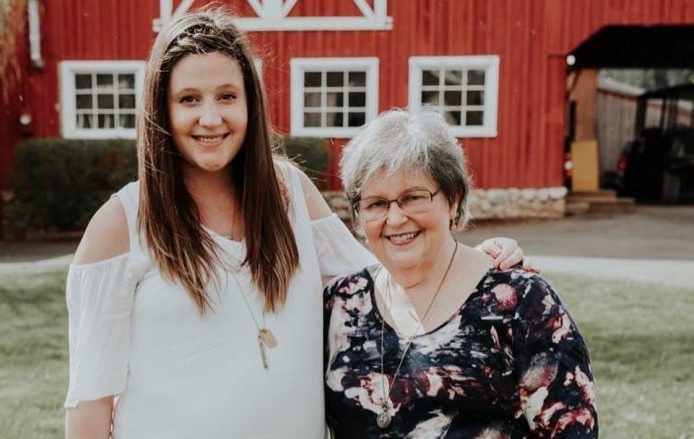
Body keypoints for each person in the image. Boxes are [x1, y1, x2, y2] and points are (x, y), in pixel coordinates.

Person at [64, 9, 531, 439]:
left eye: (227, 96)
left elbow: (383, 289)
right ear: (161, 111)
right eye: (189, 99)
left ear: (251, 103)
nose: (210, 117)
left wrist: (476, 263)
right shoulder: (121, 225)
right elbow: (89, 406)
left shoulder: (289, 195)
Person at [324, 108, 598, 438]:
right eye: (376, 204)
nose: (395, 219)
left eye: (413, 197)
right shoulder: (339, 303)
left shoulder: (521, 304)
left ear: (453, 200)